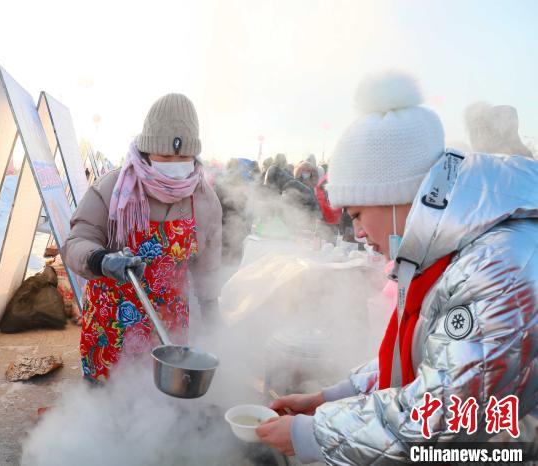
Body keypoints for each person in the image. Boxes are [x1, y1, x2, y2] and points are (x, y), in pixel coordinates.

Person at [257, 72, 538, 463]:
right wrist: (332, 396)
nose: (356, 232)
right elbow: (432, 356)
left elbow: (440, 419)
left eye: (356, 214)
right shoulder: (446, 249)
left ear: (392, 196)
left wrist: (311, 433)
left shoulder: (498, 265)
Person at [63, 93, 223, 382]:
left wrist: (212, 312)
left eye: (183, 156)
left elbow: (207, 268)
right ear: (148, 151)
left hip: (168, 335)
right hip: (112, 329)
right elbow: (75, 243)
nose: (175, 164)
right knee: (104, 411)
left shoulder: (204, 200)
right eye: (165, 156)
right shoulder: (112, 188)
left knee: (157, 413)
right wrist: (100, 260)